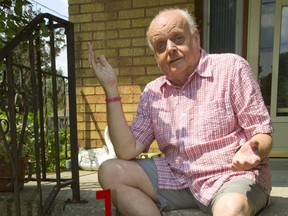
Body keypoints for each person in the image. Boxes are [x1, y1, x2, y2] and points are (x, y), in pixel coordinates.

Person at [87, 8, 273, 216]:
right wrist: (111, 88)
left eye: (177, 38)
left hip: (230, 176)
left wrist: (254, 150)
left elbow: (261, 131)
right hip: (177, 178)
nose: (170, 48)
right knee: (110, 171)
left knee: (231, 210)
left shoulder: (231, 68)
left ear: (195, 38)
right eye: (160, 45)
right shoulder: (152, 93)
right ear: (156, 56)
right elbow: (127, 150)